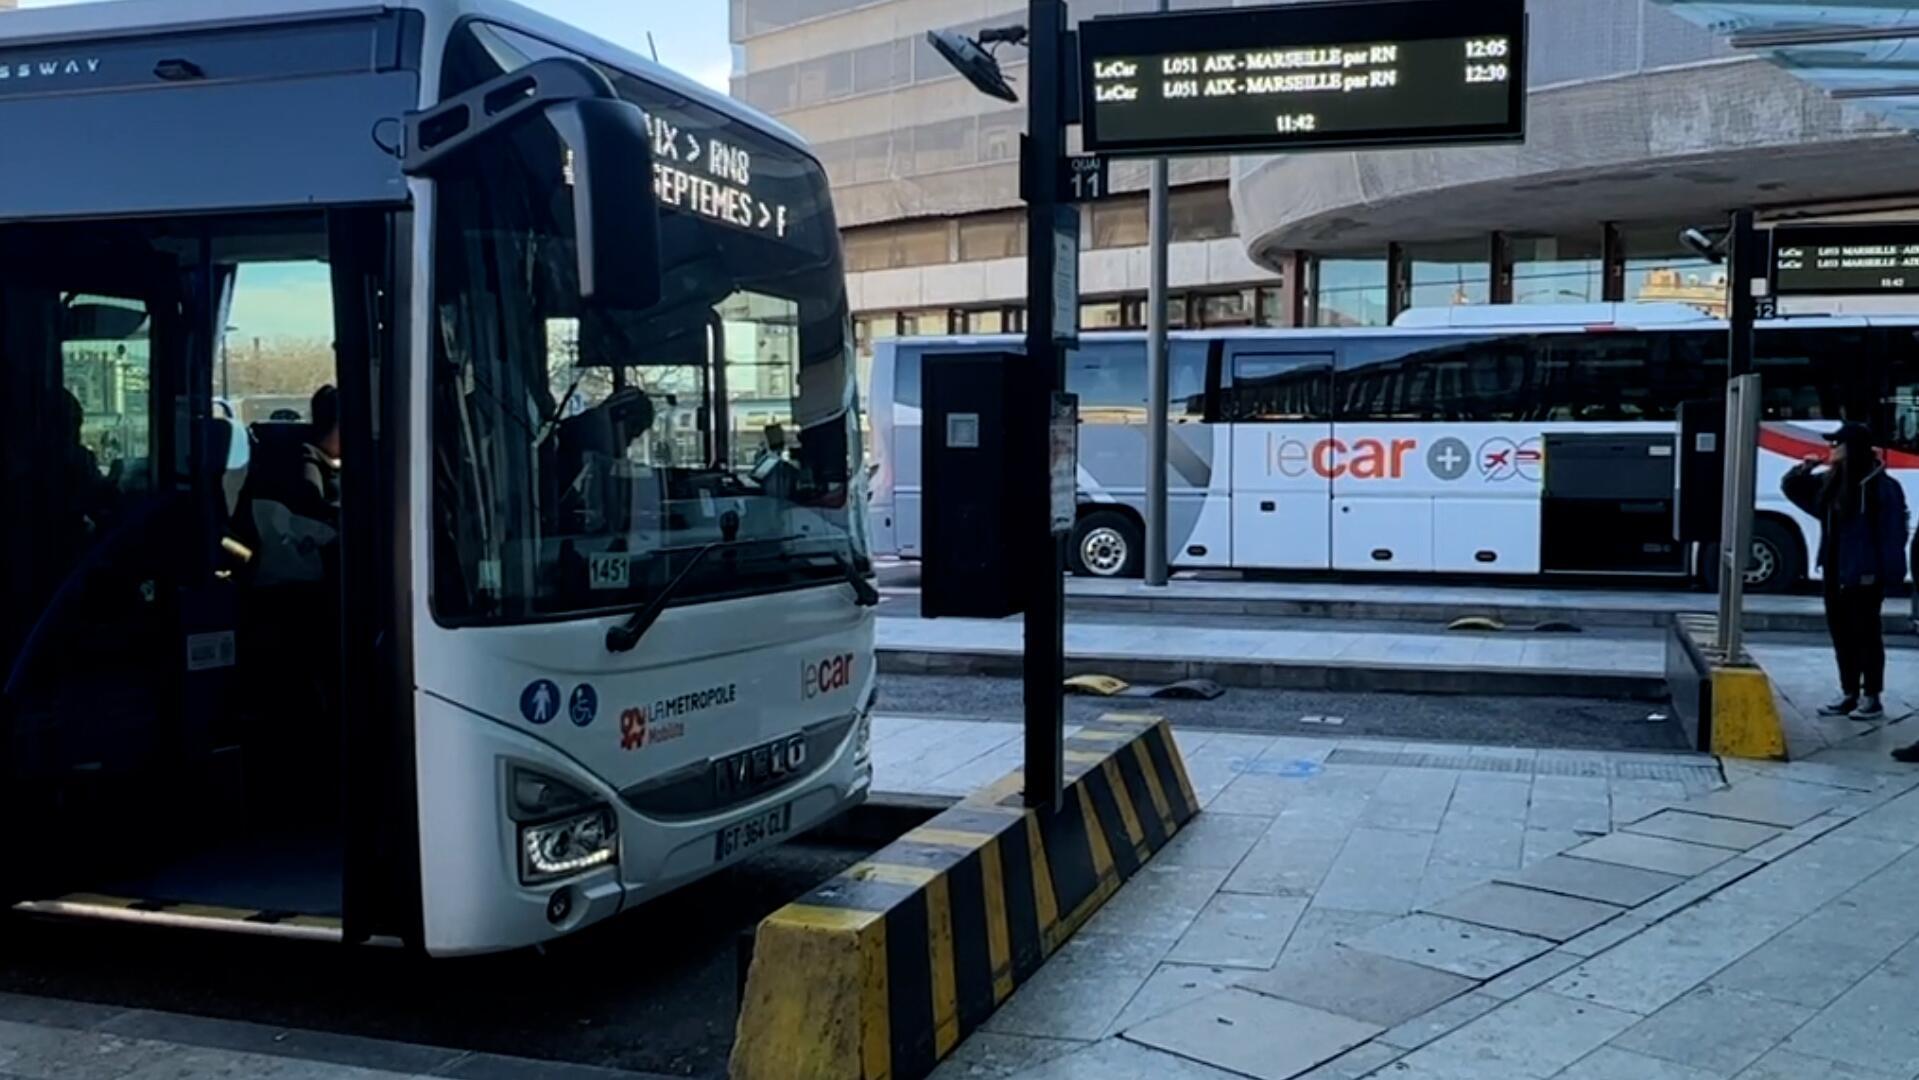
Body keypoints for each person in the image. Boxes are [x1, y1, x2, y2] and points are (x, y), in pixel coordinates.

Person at [1782, 422, 1908, 725]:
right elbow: (1794, 490)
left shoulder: (1880, 486)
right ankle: (1848, 690)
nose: (1831, 448)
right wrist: (1802, 470)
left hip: (1863, 573)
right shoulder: (1832, 482)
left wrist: (1887, 573)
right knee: (1842, 632)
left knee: (1866, 634)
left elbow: (1893, 533)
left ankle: (1871, 696)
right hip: (1835, 570)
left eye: (1837, 443)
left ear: (1853, 448)